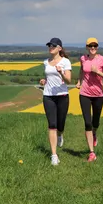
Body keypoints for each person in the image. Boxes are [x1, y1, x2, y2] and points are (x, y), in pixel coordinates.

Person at [75, 37, 103, 162]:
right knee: (87, 123)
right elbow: (81, 71)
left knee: (95, 122)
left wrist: (98, 72)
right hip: (84, 93)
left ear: (97, 47)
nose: (92, 48)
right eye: (90, 46)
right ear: (86, 47)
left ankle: (94, 132)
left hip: (98, 95)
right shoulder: (83, 59)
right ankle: (92, 152)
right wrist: (79, 82)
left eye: (95, 46)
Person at [39, 37, 72, 166]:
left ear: (59, 48)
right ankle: (54, 155)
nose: (50, 47)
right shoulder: (46, 62)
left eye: (53, 45)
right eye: (49, 45)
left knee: (60, 124)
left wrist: (61, 72)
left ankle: (60, 134)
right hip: (48, 96)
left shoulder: (65, 62)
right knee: (52, 124)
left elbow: (69, 80)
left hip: (62, 95)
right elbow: (48, 78)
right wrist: (44, 81)